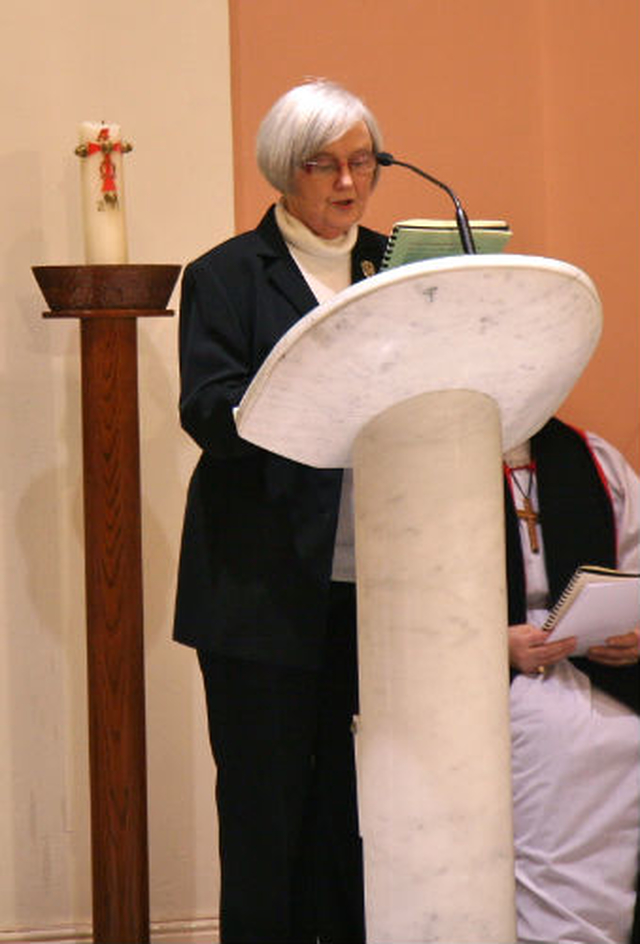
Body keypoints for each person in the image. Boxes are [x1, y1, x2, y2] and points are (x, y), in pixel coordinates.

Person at [173, 80, 386, 943]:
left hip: (375, 588)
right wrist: (320, 392)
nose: (348, 183)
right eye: (325, 164)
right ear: (282, 172)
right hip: (259, 594)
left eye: (363, 162)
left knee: (351, 810)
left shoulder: (399, 266)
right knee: (265, 817)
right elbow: (209, 409)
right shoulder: (227, 275)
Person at [504, 417, 640, 944]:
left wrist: (633, 634)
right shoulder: (441, 461)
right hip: (501, 674)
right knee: (555, 741)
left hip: (599, 664)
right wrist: (496, 642)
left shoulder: (591, 458)